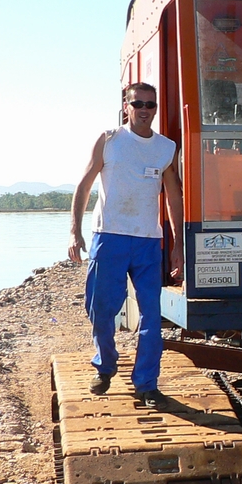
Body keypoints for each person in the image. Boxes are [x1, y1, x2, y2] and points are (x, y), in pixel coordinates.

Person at [68, 83, 184, 408]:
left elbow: (174, 197)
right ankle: (105, 366)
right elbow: (85, 184)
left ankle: (146, 383)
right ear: (126, 105)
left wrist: (178, 247)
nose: (145, 110)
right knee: (100, 309)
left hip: (148, 241)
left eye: (151, 105)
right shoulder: (110, 140)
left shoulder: (165, 148)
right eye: (138, 104)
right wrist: (74, 231)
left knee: (151, 314)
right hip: (110, 237)